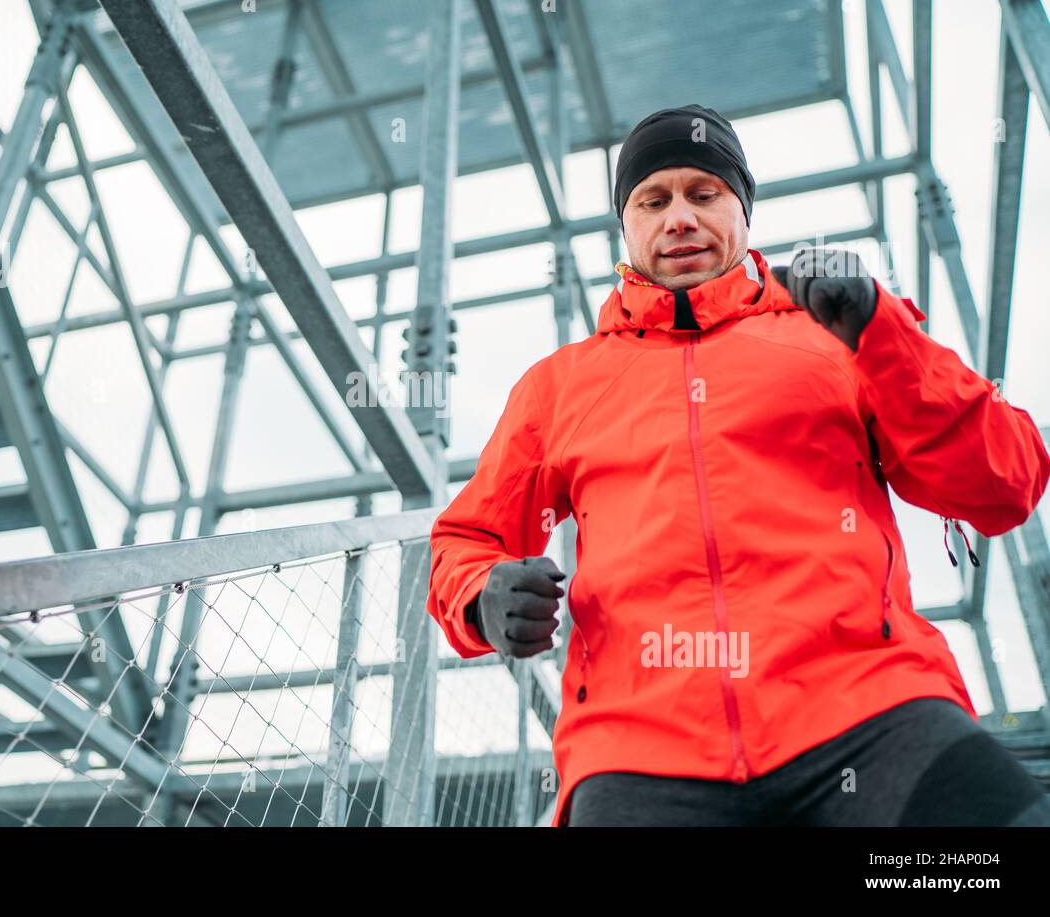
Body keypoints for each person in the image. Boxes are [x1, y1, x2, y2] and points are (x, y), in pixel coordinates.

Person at [425, 104, 1050, 827]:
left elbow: (1005, 482)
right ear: (625, 228)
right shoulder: (559, 385)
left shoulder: (840, 329)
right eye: (653, 201)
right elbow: (464, 538)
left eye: (704, 193)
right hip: (641, 752)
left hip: (868, 709)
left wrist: (886, 334)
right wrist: (481, 594)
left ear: (743, 212)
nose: (680, 218)